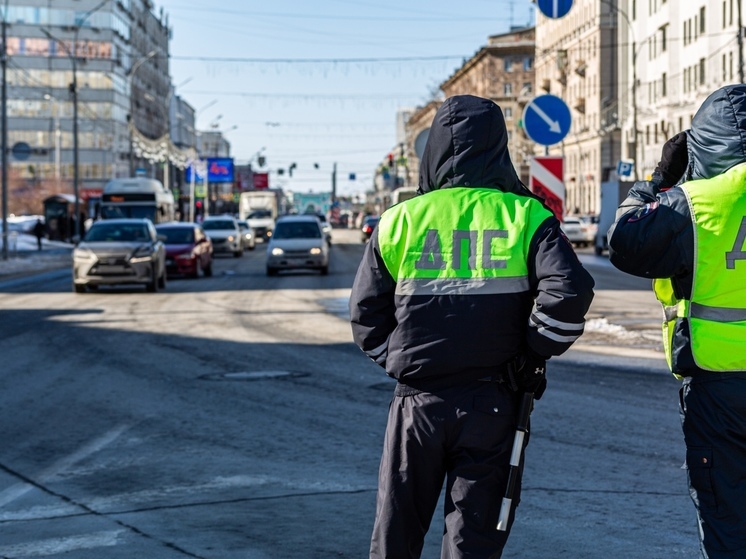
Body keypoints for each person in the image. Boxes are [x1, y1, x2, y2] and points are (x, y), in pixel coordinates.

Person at [349, 95, 595, 559]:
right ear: (499, 148)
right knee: (473, 538)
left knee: (396, 531)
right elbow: (570, 293)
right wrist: (533, 351)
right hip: (493, 402)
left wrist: (399, 360)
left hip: (416, 402)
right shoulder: (525, 215)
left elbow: (365, 314)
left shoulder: (399, 220)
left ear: (433, 148)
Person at [607, 84, 746, 558]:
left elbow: (624, 240)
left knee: (727, 518)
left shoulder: (693, 203)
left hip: (718, 391)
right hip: (716, 389)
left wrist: (657, 179)